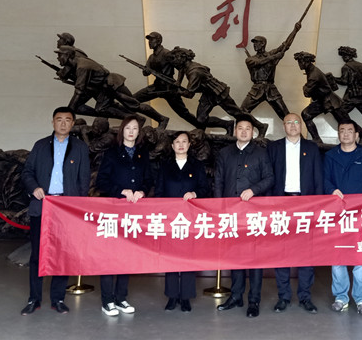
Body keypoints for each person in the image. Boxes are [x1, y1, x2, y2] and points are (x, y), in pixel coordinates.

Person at [20, 107, 90, 315]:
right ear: (53, 122)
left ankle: (58, 298)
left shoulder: (80, 148)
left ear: (73, 123)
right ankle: (34, 298)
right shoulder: (40, 145)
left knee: (63, 254)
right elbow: (27, 172)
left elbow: (84, 179)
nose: (63, 123)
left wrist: (77, 206)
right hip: (43, 205)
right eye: (59, 119)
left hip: (66, 209)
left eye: (67, 120)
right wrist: (34, 188)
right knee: (37, 254)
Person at [214, 114, 274, 318]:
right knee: (235, 256)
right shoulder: (225, 153)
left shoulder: (260, 153)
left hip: (253, 212)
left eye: (248, 128)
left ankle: (254, 300)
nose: (244, 131)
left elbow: (270, 178)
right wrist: (219, 207)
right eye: (240, 128)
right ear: (235, 131)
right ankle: (236, 296)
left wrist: (254, 190)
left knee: (254, 257)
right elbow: (219, 181)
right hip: (231, 213)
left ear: (253, 132)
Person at [96, 115, 154, 316]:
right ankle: (107, 300)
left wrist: (142, 191)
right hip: (113, 211)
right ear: (122, 130)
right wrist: (121, 190)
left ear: (139, 132)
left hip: (133, 213)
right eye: (128, 128)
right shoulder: (112, 153)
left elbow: (148, 179)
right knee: (109, 255)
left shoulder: (142, 153)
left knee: (126, 255)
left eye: (135, 128)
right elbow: (101, 182)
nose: (131, 132)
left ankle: (121, 298)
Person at [266, 113, 323, 314]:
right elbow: (269, 177)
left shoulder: (311, 148)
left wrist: (318, 205)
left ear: (301, 126)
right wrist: (269, 205)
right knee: (281, 252)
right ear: (283, 126)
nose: (293, 125)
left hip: (305, 204)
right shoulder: (274, 148)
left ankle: (305, 297)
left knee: (306, 253)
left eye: (296, 122)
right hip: (281, 203)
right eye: (289, 122)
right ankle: (283, 296)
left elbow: (318, 178)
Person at [323, 120, 362, 315]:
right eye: (342, 131)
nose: (345, 134)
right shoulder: (330, 156)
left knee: (361, 256)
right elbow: (324, 179)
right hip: (337, 214)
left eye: (350, 131)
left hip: (360, 213)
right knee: (338, 256)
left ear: (356, 135)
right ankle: (341, 297)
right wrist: (331, 190)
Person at [155, 131, 210, 312]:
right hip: (170, 218)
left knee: (187, 256)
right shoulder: (165, 166)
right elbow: (159, 192)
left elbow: (205, 189)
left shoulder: (197, 165)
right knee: (171, 256)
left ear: (189, 145)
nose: (180, 145)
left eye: (184, 141)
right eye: (177, 142)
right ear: (172, 146)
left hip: (190, 218)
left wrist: (195, 193)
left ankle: (186, 297)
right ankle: (172, 296)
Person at [133, 32, 201, 128]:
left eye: (152, 39)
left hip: (170, 89)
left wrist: (178, 82)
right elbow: (145, 73)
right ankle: (158, 119)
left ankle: (201, 127)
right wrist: (146, 70)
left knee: (183, 113)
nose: (149, 42)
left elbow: (181, 68)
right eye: (149, 40)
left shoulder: (167, 54)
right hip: (157, 87)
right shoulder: (151, 57)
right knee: (132, 100)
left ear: (159, 41)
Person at [240, 23, 301, 120]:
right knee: (241, 112)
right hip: (256, 90)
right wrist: (275, 57)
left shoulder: (270, 54)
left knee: (286, 115)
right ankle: (255, 127)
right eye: (254, 43)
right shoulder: (250, 59)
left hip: (271, 89)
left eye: (256, 42)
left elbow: (285, 45)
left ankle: (296, 130)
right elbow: (259, 62)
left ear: (263, 44)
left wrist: (295, 31)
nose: (254, 45)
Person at [293, 51, 351, 143]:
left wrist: (304, 87)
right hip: (322, 100)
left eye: (300, 62)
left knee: (346, 123)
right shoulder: (311, 71)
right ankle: (317, 140)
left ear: (307, 61)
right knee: (306, 114)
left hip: (330, 101)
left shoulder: (313, 75)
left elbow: (306, 93)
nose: (299, 64)